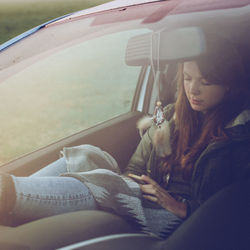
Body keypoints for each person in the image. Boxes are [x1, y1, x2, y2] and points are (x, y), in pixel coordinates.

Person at [0, 37, 249, 239]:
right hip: (149, 196)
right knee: (86, 155)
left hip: (184, 222)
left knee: (110, 184)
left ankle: (6, 194)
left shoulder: (239, 134)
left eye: (205, 82)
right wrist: (132, 181)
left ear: (228, 84)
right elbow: (134, 169)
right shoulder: (170, 117)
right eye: (187, 78)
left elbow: (236, 211)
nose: (193, 90)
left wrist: (182, 208)